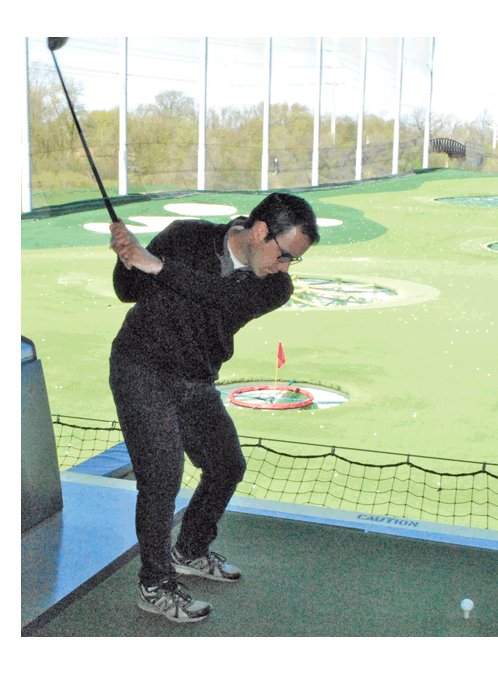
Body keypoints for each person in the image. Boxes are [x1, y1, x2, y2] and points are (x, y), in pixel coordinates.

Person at [108, 192, 319, 623]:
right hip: (141, 365)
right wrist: (127, 255)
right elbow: (127, 292)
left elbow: (220, 298)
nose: (285, 267)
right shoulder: (186, 236)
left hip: (197, 376)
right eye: (284, 255)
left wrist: (157, 265)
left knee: (226, 465)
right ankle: (155, 583)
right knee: (161, 477)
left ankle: (189, 549)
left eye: (292, 261)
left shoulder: (274, 286)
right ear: (260, 231)